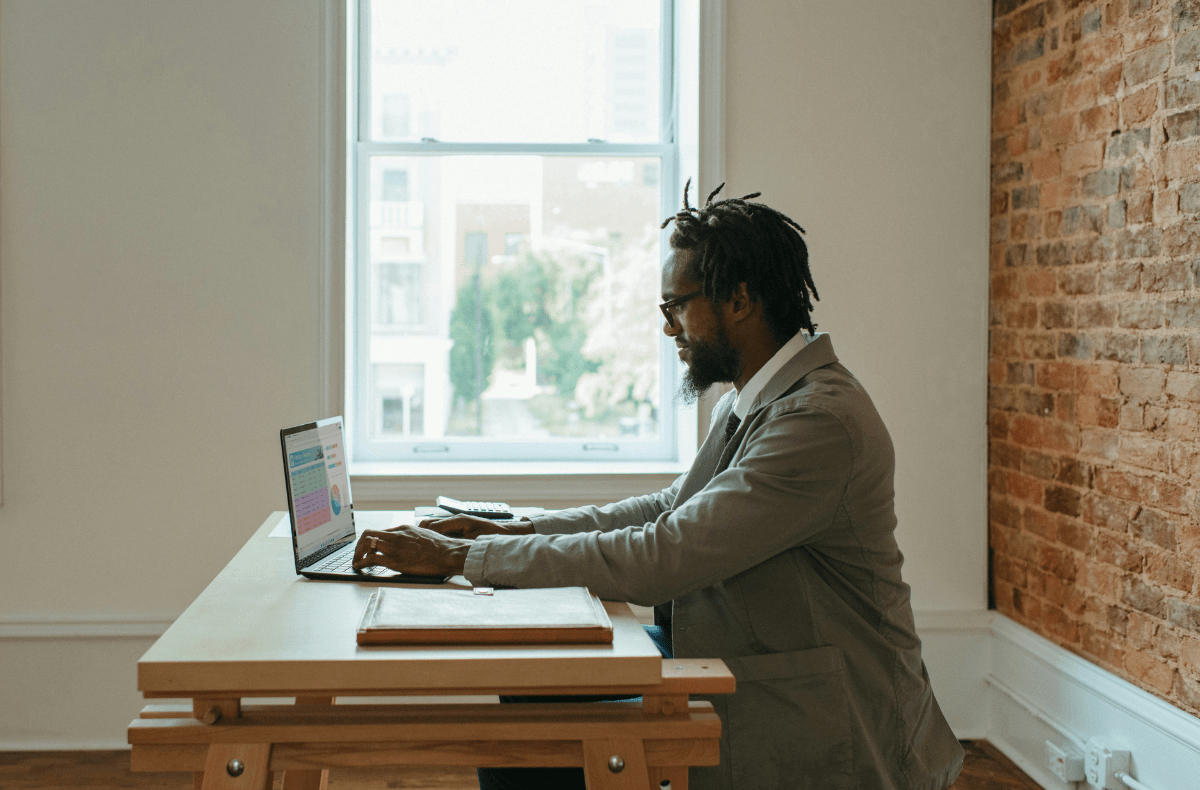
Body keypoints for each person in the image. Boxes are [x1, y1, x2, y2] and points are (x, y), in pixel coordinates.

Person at [353, 183, 964, 790]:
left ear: (740, 299)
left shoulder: (817, 423)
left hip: (829, 721)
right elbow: (670, 508)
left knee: (536, 738)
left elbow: (664, 554)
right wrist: (516, 529)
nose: (670, 327)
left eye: (677, 306)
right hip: (743, 659)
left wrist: (466, 557)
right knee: (531, 699)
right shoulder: (755, 402)